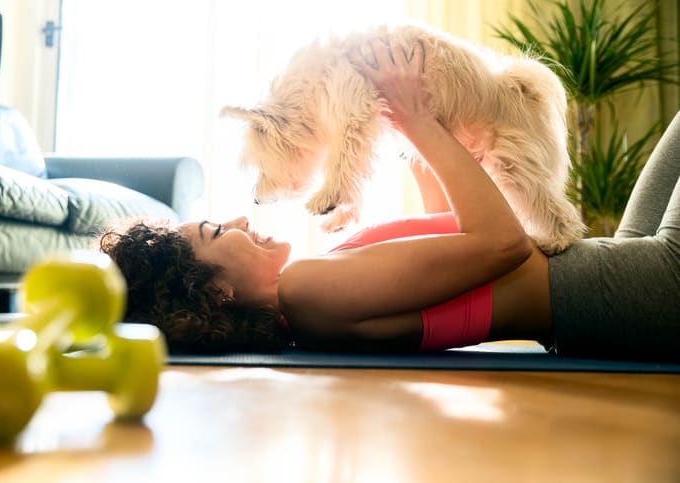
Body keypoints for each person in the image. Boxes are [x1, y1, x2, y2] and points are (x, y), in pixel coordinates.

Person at [99, 39, 680, 362]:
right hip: (630, 293)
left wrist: (409, 131)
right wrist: (418, 120)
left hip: (614, 271)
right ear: (216, 292)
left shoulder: (314, 286)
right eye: (217, 233)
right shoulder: (306, 292)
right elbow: (501, 243)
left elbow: (452, 230)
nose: (238, 218)